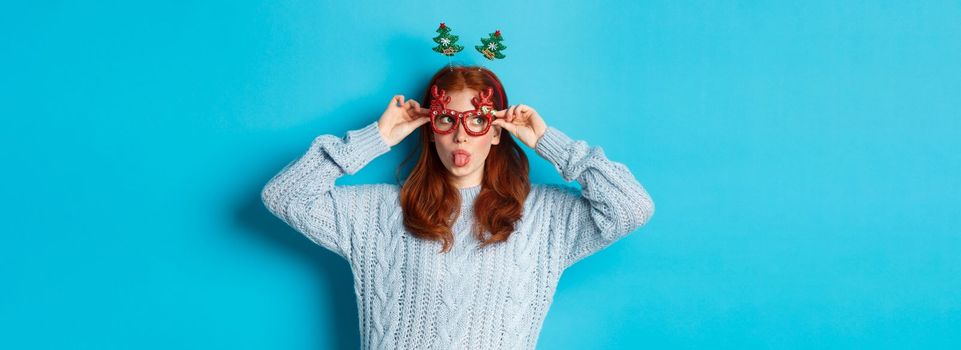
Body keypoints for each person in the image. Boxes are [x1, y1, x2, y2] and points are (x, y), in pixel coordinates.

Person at [261, 65, 655, 350]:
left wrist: (551, 143)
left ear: (497, 131)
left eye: (478, 122)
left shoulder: (543, 216)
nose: (461, 135)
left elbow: (631, 207)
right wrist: (377, 137)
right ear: (431, 131)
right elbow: (285, 195)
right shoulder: (377, 212)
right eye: (447, 120)